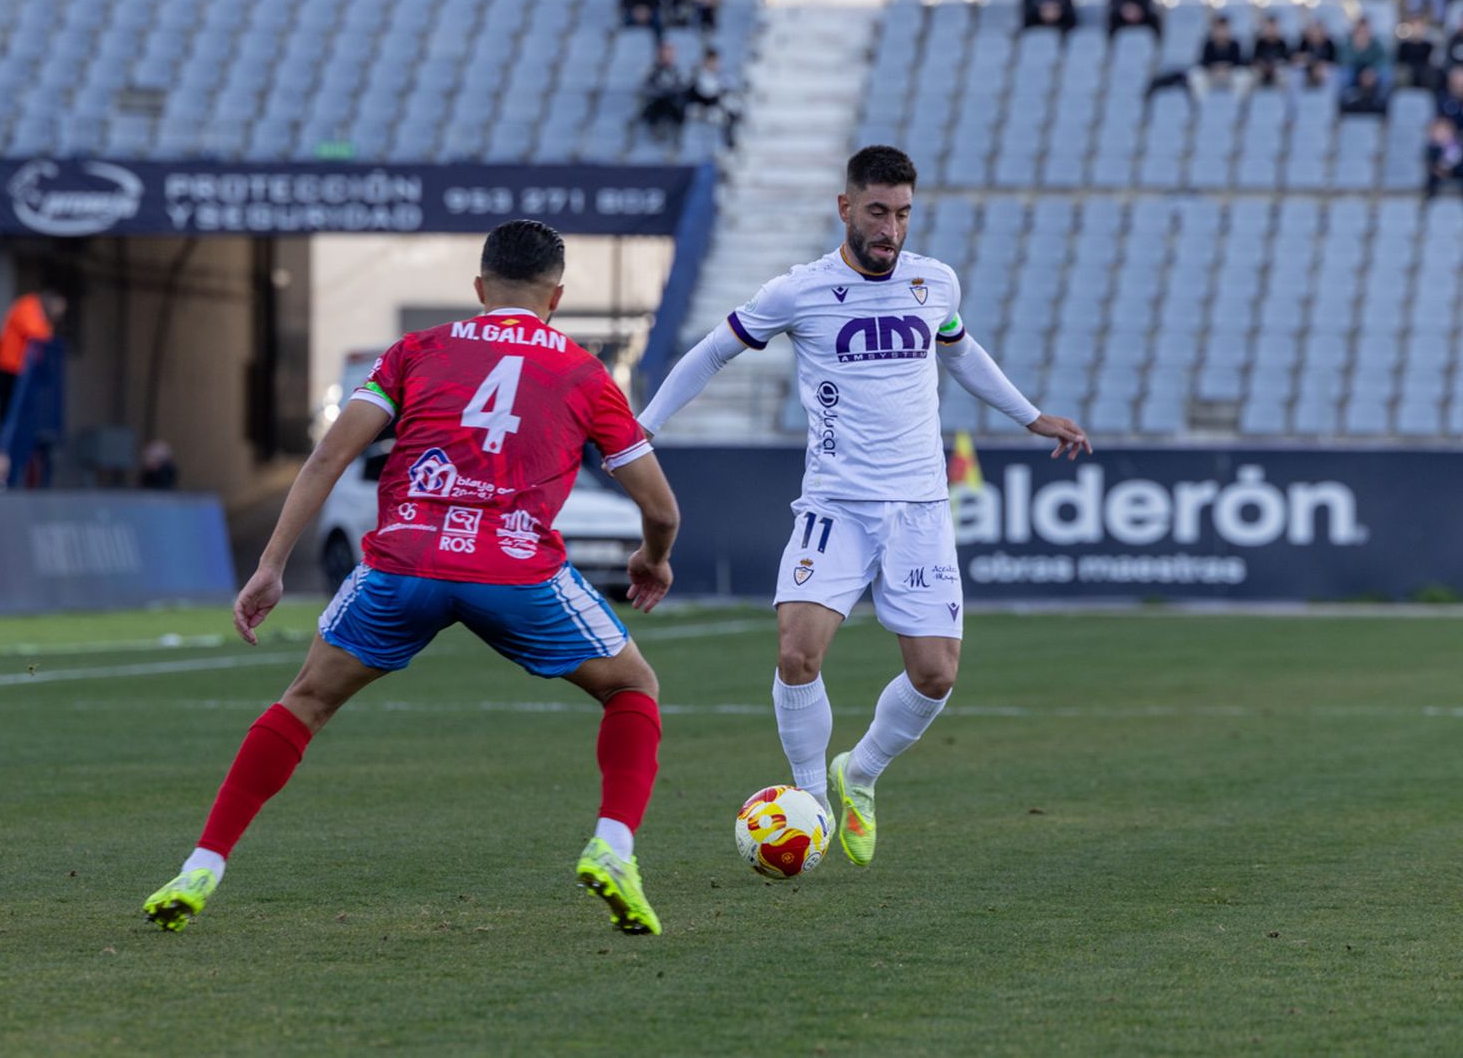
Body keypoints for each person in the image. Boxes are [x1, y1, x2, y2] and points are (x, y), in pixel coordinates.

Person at [142, 221, 681, 936]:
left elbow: (329, 456)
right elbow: (660, 505)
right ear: (556, 295)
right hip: (513, 568)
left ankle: (202, 865)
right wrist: (652, 556)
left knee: (303, 702)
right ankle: (613, 848)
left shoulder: (417, 350)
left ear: (480, 289)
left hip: (405, 560)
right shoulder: (584, 373)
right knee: (632, 687)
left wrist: (271, 564)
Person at [636, 146, 1090, 869]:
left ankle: (862, 773)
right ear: (845, 208)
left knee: (936, 674)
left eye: (903, 213)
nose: (891, 228)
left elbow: (962, 353)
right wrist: (644, 425)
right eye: (878, 211)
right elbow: (711, 353)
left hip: (918, 508)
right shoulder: (799, 291)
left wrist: (1032, 416)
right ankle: (812, 800)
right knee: (796, 652)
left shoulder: (933, 282)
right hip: (836, 505)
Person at [0, 289, 65, 430]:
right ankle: (3, 436)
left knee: (20, 407)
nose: (58, 315)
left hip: (20, 368)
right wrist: (47, 328)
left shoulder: (41, 316)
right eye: (58, 309)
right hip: (8, 365)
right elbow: (36, 333)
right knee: (7, 406)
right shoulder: (28, 306)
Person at [688, 47, 742, 147]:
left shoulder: (722, 75)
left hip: (719, 109)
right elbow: (707, 92)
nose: (714, 64)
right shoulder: (698, 75)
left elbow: (730, 88)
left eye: (716, 61)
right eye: (711, 61)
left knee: (734, 108)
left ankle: (730, 143)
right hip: (704, 110)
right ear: (705, 61)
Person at [640, 41, 689, 138]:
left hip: (672, 105)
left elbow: (683, 88)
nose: (668, 58)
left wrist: (669, 91)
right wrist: (662, 91)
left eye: (670, 55)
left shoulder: (678, 72)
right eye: (665, 55)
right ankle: (656, 129)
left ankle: (675, 135)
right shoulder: (651, 70)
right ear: (660, 55)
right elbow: (645, 88)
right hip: (656, 104)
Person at [1424, 116, 1463, 197]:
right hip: (1438, 172)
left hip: (1456, 171)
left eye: (1444, 131)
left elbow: (1458, 161)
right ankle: (1429, 199)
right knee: (1431, 178)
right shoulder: (1433, 147)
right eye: (1438, 131)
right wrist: (1439, 169)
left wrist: (1449, 168)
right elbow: (1430, 161)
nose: (1442, 134)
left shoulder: (1457, 145)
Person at [1397, 17, 1440, 89]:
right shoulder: (1404, 46)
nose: (1417, 30)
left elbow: (1432, 61)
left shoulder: (1428, 46)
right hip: (1408, 70)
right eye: (1415, 27)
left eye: (1420, 28)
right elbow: (1400, 62)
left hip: (1424, 71)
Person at [1295, 19, 1340, 88]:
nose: (1316, 34)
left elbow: (1333, 60)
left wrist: (1320, 64)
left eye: (1318, 31)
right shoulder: (1304, 42)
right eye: (1314, 31)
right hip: (1308, 67)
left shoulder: (1329, 44)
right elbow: (1298, 57)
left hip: (1323, 68)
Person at [1251, 15, 1292, 88]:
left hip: (1276, 71)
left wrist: (1274, 65)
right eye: (1269, 27)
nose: (1271, 30)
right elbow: (1255, 59)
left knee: (1284, 74)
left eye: (1274, 27)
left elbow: (1286, 60)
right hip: (1262, 70)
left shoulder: (1281, 43)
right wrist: (1263, 66)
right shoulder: (1259, 43)